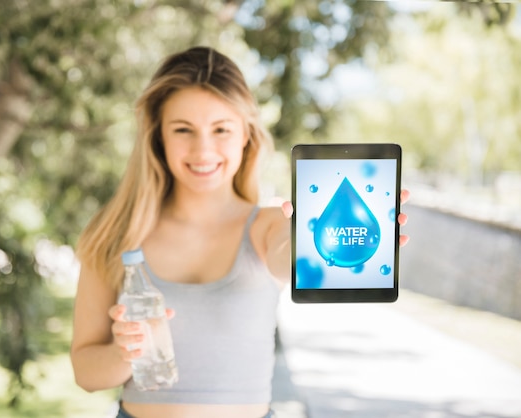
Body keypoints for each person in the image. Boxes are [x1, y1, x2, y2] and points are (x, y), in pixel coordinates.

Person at [70, 46, 410, 418]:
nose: (203, 149)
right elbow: (86, 372)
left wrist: (331, 238)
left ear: (246, 135)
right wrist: (126, 352)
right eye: (183, 129)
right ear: (158, 137)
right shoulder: (116, 233)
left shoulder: (266, 226)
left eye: (221, 129)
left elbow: (290, 255)